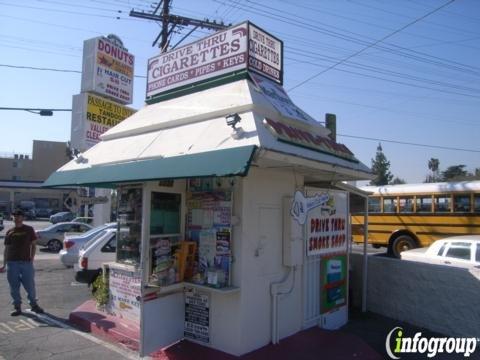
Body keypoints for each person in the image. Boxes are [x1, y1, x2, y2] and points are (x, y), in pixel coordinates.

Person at [0, 209, 44, 316]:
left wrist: (31, 259)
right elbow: (7, 249)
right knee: (14, 287)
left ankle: (34, 305)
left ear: (23, 218)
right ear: (12, 218)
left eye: (19, 216)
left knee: (30, 286)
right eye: (14, 216)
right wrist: (4, 264)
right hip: (12, 263)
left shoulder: (29, 229)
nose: (16, 218)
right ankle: (17, 307)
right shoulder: (10, 232)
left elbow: (34, 245)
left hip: (26, 263)